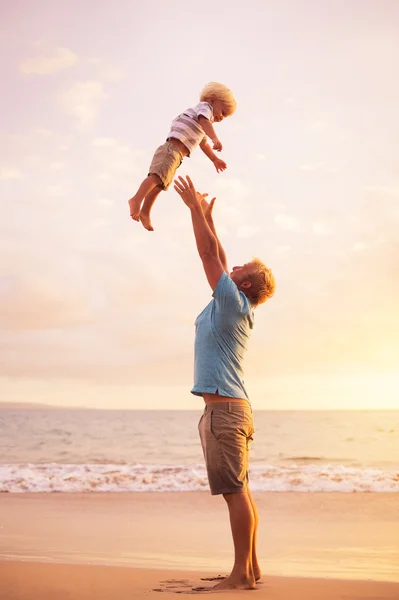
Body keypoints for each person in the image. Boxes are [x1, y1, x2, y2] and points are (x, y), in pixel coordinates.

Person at [174, 175, 276, 591]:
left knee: (235, 492)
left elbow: (206, 253)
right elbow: (216, 250)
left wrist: (195, 212)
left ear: (245, 285)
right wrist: (210, 219)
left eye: (240, 270)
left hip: (226, 412)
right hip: (230, 410)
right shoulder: (231, 302)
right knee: (242, 490)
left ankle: (240, 576)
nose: (231, 268)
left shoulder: (233, 303)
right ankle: (250, 568)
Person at [128, 82, 236, 231]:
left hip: (176, 155)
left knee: (160, 183)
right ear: (212, 100)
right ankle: (136, 199)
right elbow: (206, 123)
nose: (222, 118)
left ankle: (145, 211)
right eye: (223, 112)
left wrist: (214, 159)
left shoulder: (201, 123)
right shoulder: (205, 109)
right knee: (156, 177)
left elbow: (202, 143)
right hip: (171, 150)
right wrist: (215, 138)